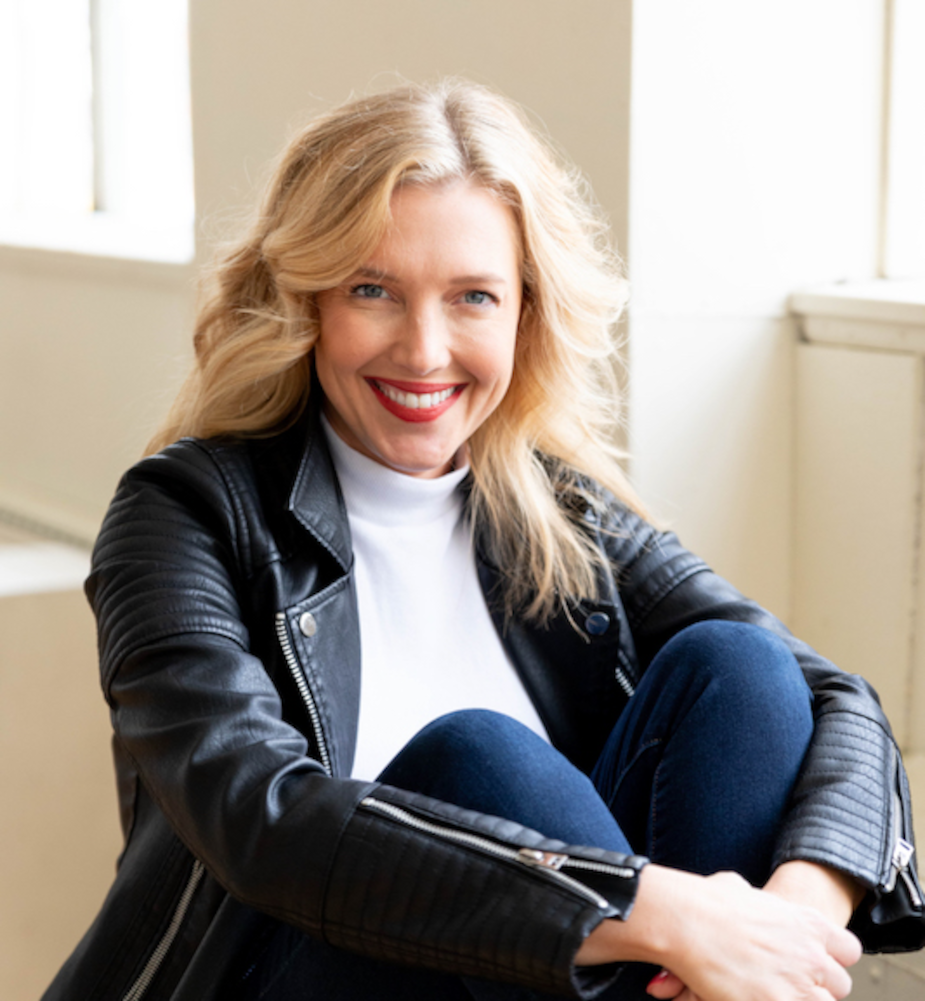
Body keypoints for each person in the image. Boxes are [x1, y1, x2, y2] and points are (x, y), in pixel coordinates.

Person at [44, 80, 923, 1001]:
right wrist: (666, 911)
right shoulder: (182, 513)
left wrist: (789, 914)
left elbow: (838, 701)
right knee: (478, 764)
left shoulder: (558, 512)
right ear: (304, 302)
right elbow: (258, 814)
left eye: (472, 296)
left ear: (523, 314)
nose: (424, 350)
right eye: (372, 289)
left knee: (740, 673)